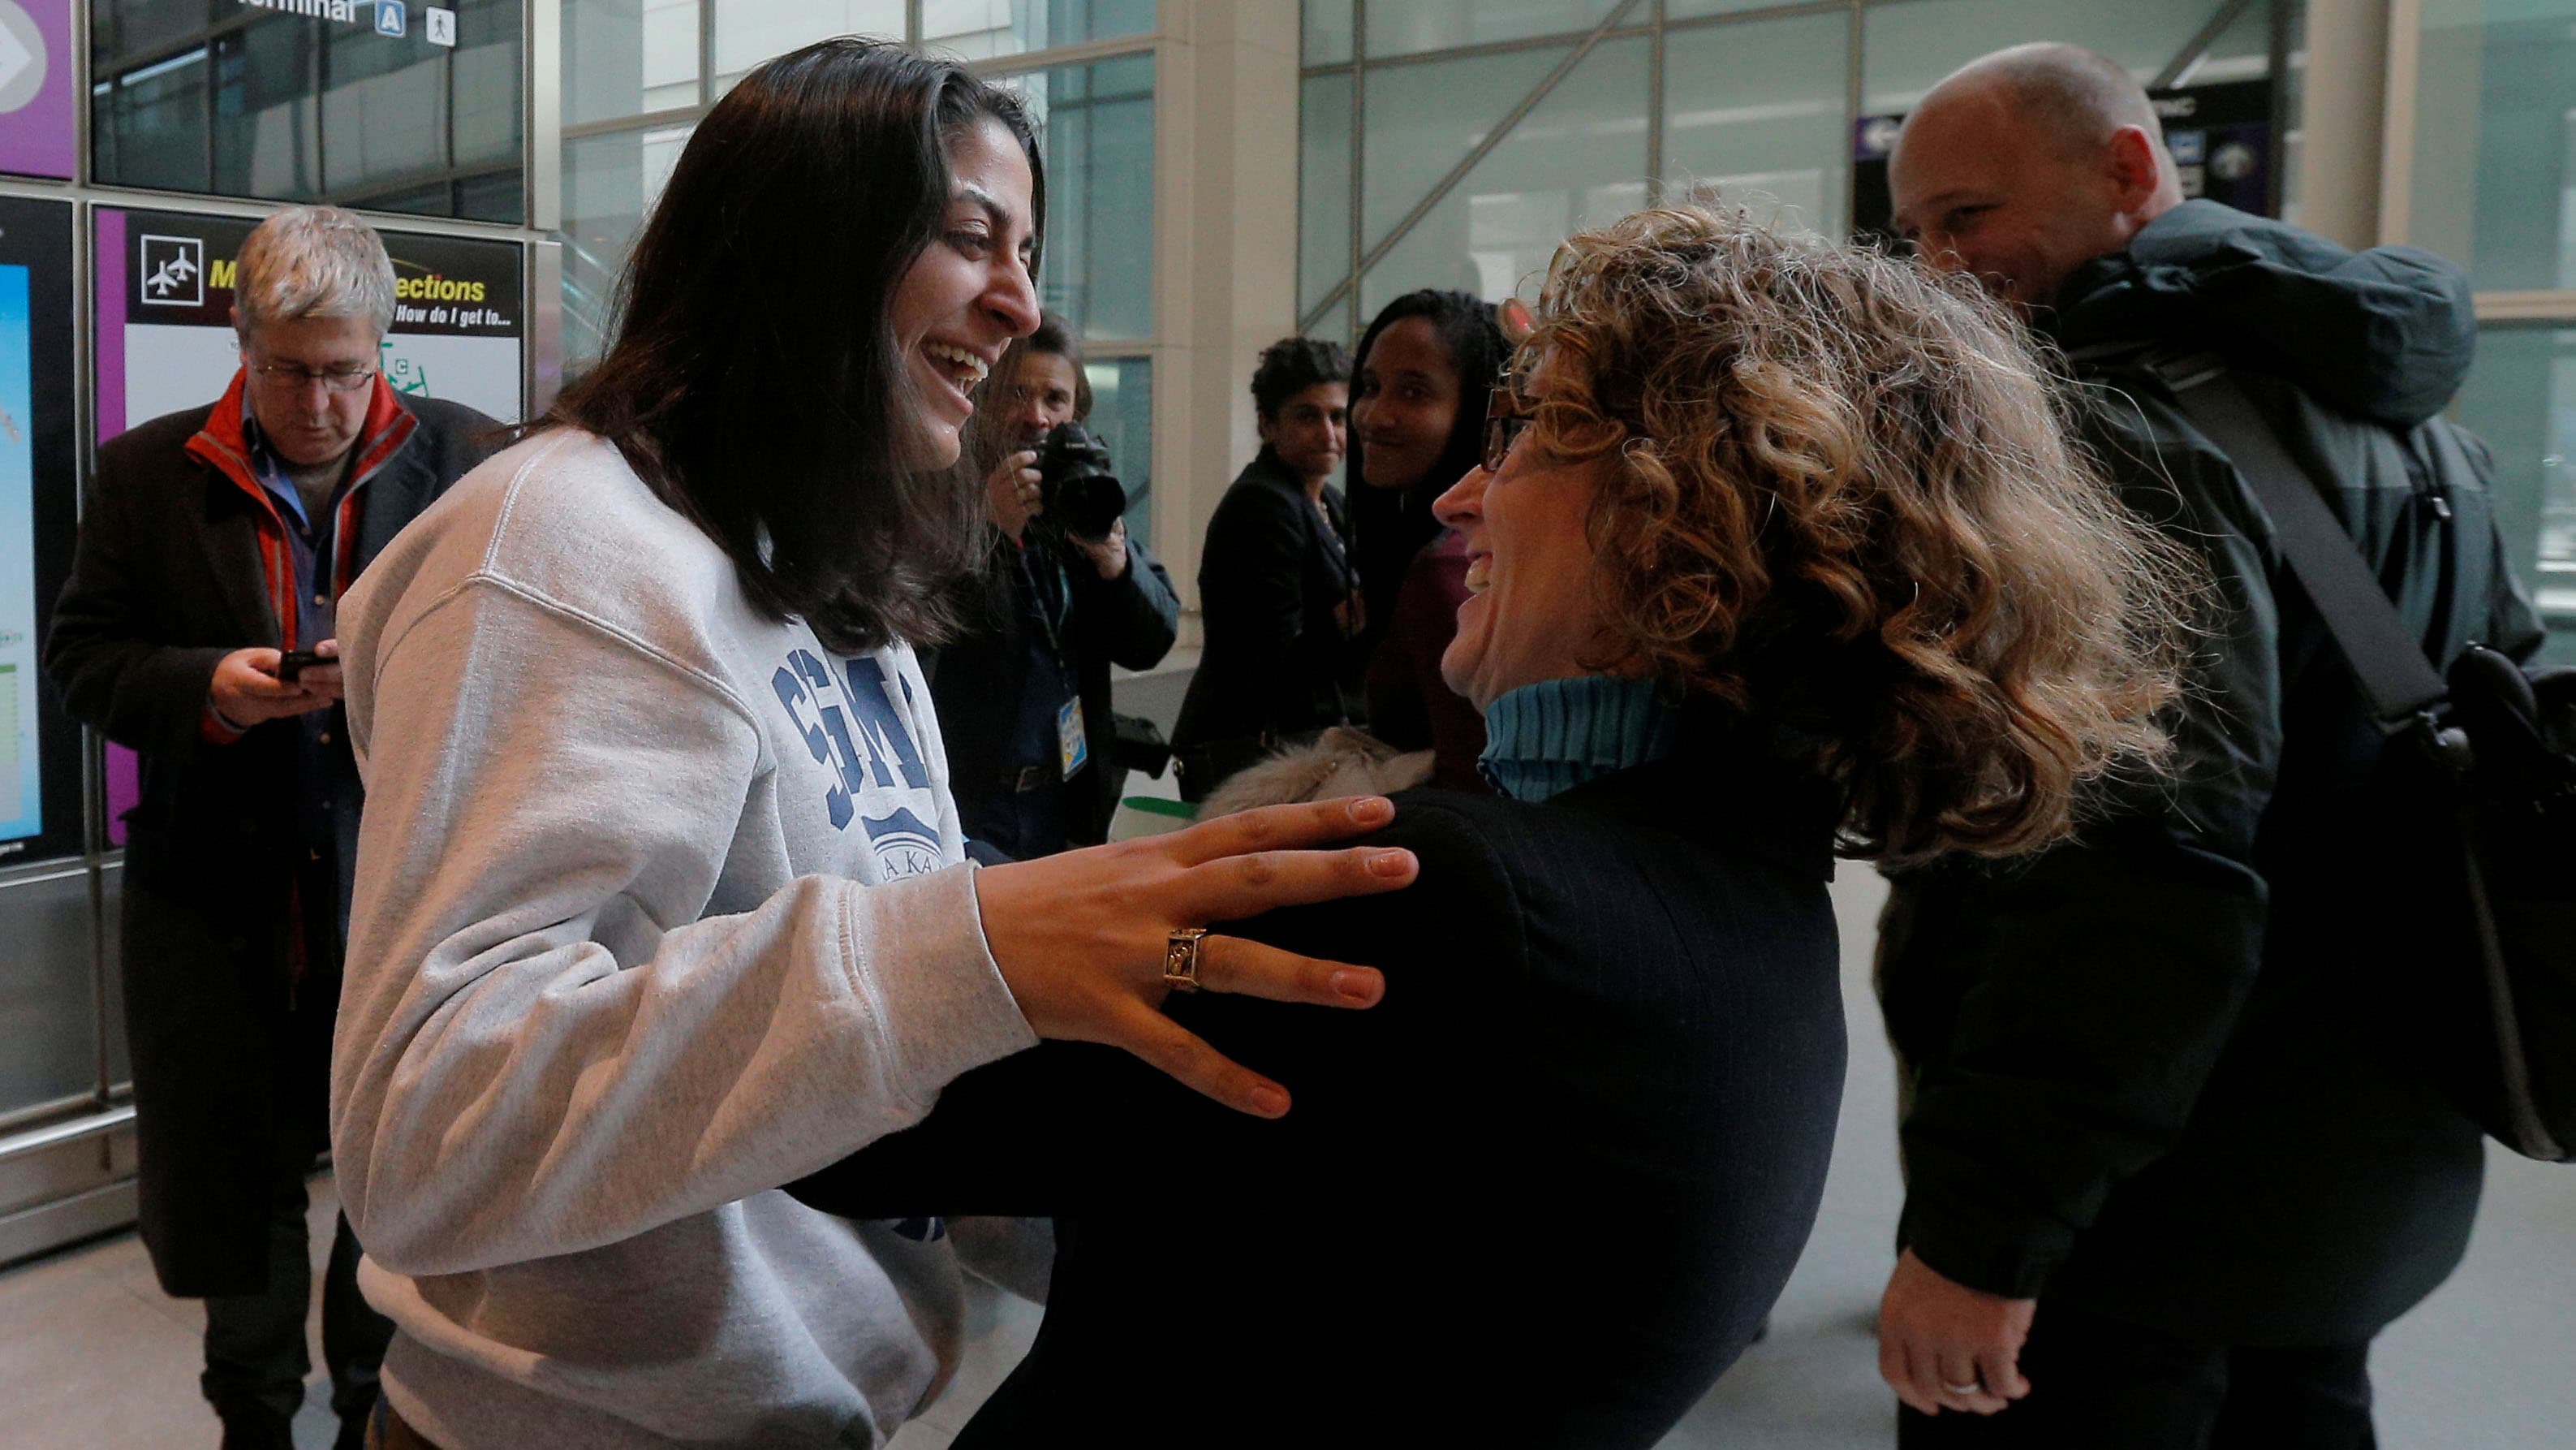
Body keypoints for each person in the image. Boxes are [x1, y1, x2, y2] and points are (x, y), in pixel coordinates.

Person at [788, 201, 2201, 1448]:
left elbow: (853, 1120)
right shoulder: (1732, 894)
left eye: (1524, 440)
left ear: (1678, 511)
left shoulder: (1461, 907)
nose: (1463, 493)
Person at [326, 41, 1417, 1450]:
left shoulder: (821, 574)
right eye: (970, 235)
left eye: (1025, 250)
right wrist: (959, 949)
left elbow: (849, 1007)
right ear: (806, 239)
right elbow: (426, 1125)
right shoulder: (561, 542)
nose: (1020, 300)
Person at [1876, 43, 2545, 1449]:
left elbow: (2129, 869)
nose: (1933, 271)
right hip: (2369, 1125)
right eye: (1913, 233)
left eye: (1965, 217)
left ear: (2123, 171)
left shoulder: (2107, 426)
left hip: (2153, 1171)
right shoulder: (2413, 420)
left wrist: (1984, 1228)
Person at [43, 205, 496, 1450]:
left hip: (405, 902)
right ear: (239, 340)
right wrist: (207, 689)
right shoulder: (150, 471)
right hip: (221, 913)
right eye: (289, 371)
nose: (321, 403)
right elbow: (83, 662)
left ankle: (372, 1407)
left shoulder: (469, 467)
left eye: (349, 370)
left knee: (396, 1187)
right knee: (239, 1211)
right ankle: (253, 1414)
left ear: (385, 347)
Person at [929, 311, 1179, 857]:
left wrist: (1113, 558)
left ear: (1076, 412)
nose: (1035, 417)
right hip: (971, 803)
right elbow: (924, 643)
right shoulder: (942, 500)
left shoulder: (1077, 499)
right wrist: (986, 531)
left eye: (1055, 400)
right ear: (983, 401)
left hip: (1065, 799)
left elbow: (1152, 641)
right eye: (1017, 394)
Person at [1170, 337, 1363, 800]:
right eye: (1307, 415)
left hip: (1293, 744)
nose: (1328, 432)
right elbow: (1271, 649)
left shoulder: (1329, 502)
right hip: (1252, 747)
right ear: (1267, 424)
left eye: (1338, 417)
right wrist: (1358, 614)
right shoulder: (1263, 502)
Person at [1348, 288, 1512, 791]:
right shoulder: (1466, 550)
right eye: (1370, 386)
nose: (1374, 415)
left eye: (1414, 392)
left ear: (1478, 411)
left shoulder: (1451, 570)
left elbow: (1474, 781)